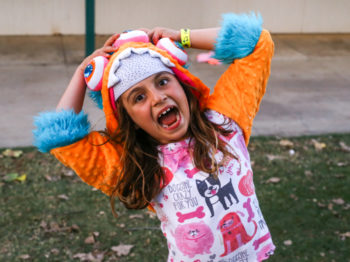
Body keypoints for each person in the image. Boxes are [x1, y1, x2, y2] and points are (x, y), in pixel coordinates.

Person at [33, 12, 275, 262]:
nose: (158, 97)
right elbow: (59, 137)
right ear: (130, 121)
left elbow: (258, 42)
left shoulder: (225, 120)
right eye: (138, 97)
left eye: (162, 81)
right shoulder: (138, 164)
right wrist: (81, 73)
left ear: (182, 83)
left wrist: (183, 37)